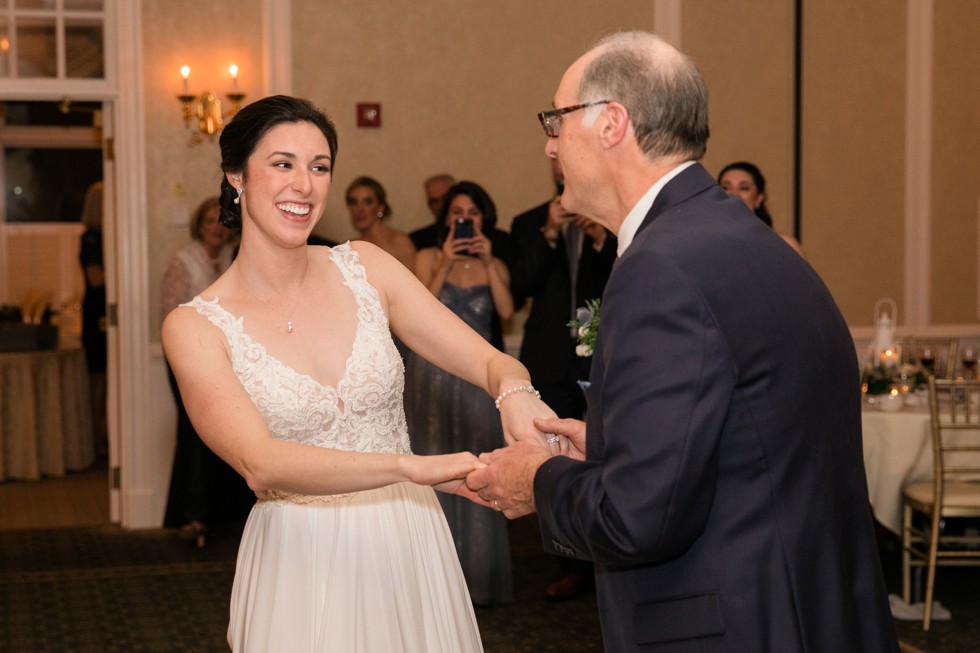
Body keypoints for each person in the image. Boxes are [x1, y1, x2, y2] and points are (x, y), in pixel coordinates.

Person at [467, 31, 899, 651]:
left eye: (556, 120)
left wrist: (536, 480)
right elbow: (752, 438)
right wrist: (615, 446)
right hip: (806, 608)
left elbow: (638, 519)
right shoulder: (742, 240)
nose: (549, 143)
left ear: (611, 122)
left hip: (737, 624)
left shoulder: (660, 268)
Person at [161, 95, 557, 652]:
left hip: (406, 537)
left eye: (319, 166)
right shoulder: (195, 327)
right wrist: (409, 468)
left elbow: (492, 359)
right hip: (301, 554)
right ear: (236, 177)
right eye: (283, 163)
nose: (305, 183)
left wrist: (514, 390)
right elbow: (260, 462)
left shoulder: (366, 267)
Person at [405, 180, 515, 606]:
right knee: (432, 463)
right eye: (456, 212)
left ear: (483, 218)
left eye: (471, 212)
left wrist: (487, 263)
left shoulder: (495, 263)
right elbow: (416, 313)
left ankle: (473, 581)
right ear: (445, 218)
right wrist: (445, 266)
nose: (463, 218)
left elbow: (506, 312)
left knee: (476, 467)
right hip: (430, 378)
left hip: (475, 380)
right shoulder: (428, 256)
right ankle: (428, 582)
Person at [509, 158, 615, 600]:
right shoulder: (529, 222)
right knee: (553, 459)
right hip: (549, 361)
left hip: (600, 359)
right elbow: (519, 286)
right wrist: (548, 234)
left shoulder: (609, 220)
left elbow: (621, 278)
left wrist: (599, 239)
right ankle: (569, 562)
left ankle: (606, 563)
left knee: (603, 458)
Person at [161, 196, 251, 546]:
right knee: (197, 435)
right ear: (199, 225)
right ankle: (194, 515)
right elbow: (169, 316)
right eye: (209, 220)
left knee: (232, 434)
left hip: (234, 364)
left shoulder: (237, 259)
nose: (216, 226)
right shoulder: (182, 262)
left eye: (221, 220)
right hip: (191, 361)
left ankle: (227, 513)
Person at [718, 160, 806, 258]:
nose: (734, 194)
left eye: (744, 188)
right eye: (725, 187)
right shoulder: (706, 245)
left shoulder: (784, 245)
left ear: (759, 198)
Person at [78, 180, 108, 459]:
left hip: (101, 313)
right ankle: (97, 440)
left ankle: (103, 437)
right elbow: (95, 278)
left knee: (105, 378)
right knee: (98, 380)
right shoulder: (91, 239)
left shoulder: (101, 237)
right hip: (98, 314)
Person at [345, 175, 416, 269]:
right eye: (354, 202)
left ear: (380, 207)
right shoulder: (349, 247)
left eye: (367, 202)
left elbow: (417, 281)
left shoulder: (399, 242)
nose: (359, 210)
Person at [409, 173, 456, 251]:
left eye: (445, 197)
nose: (441, 205)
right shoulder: (418, 239)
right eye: (434, 201)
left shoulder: (479, 233)